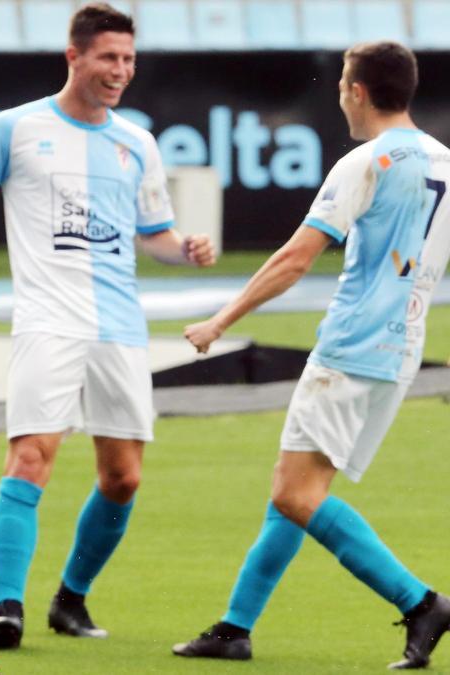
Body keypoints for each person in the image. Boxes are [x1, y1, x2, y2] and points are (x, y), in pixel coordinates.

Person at [0, 2, 215, 651]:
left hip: (119, 327)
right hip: (48, 320)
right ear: (74, 56)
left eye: (129, 59)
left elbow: (154, 236)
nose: (121, 70)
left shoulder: (137, 143)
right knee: (30, 458)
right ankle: (7, 606)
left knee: (124, 476)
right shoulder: (15, 128)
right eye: (109, 57)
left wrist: (183, 247)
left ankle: (70, 599)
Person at [172, 41, 450, 670]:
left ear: (356, 91)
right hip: (403, 349)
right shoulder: (445, 161)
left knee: (298, 496)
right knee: (294, 491)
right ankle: (234, 629)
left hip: (350, 348)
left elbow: (295, 259)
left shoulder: (366, 161)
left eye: (343, 86)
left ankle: (422, 602)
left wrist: (220, 321)